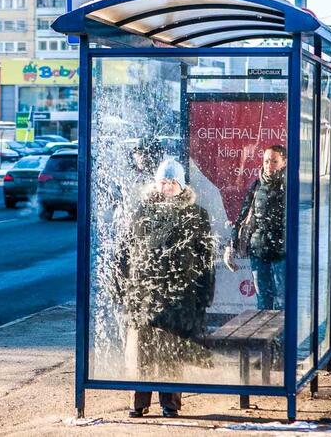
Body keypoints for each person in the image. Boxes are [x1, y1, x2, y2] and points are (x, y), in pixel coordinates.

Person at [113, 158, 215, 418]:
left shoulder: (196, 215)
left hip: (179, 296)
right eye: (163, 181)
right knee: (144, 352)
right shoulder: (142, 211)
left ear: (181, 185)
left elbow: (205, 258)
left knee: (172, 351)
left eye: (172, 182)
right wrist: (120, 286)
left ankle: (170, 403)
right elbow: (126, 250)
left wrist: (205, 295)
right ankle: (140, 402)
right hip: (145, 294)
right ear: (156, 183)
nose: (167, 186)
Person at [225, 144, 287, 310]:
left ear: (284, 162)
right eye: (266, 161)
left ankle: (281, 336)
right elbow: (243, 216)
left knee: (283, 302)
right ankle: (267, 336)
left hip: (281, 252)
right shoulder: (257, 185)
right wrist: (231, 245)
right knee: (263, 302)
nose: (269, 165)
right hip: (258, 251)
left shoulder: (288, 186)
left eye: (274, 161)